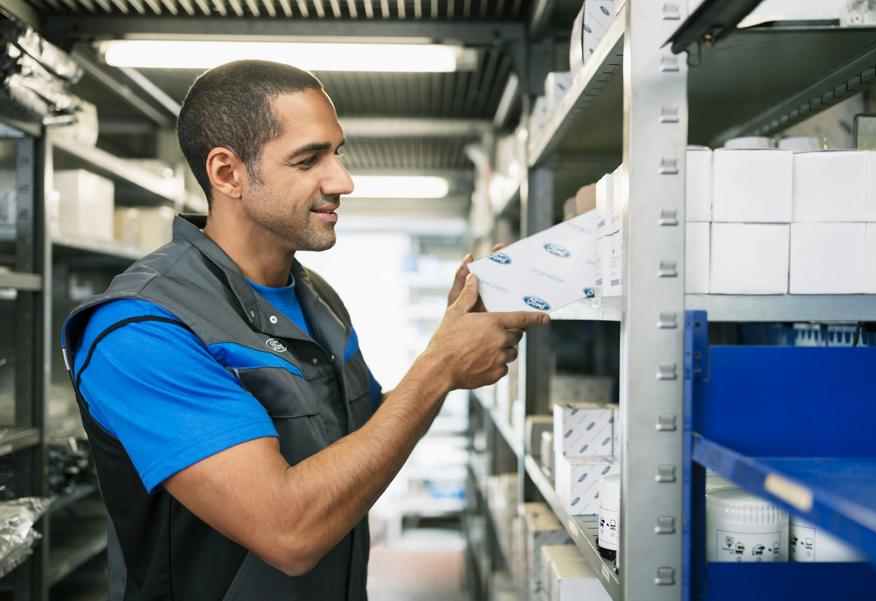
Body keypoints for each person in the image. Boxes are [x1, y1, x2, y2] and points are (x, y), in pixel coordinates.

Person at [61, 59, 548, 601]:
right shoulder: (142, 328)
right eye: (308, 159)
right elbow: (289, 531)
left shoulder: (316, 298)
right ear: (228, 174)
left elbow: (359, 442)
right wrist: (439, 368)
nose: (343, 180)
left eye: (336, 153)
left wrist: (450, 343)